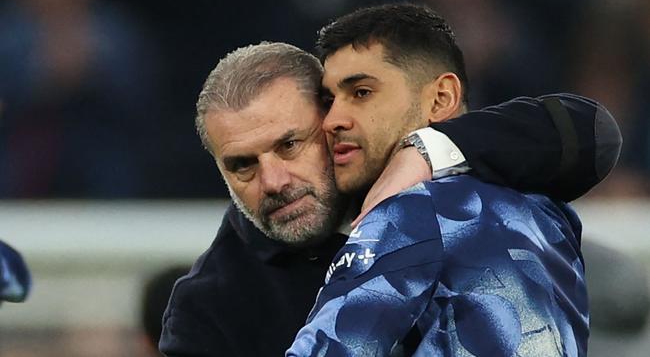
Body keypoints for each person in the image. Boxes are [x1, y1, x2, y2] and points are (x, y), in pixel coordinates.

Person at [160, 34, 620, 357]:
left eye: (289, 145)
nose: (274, 180)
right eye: (242, 165)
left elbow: (591, 131)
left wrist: (425, 152)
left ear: (333, 119)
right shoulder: (209, 308)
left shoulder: (430, 181)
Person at [287, 4, 597, 356]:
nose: (332, 121)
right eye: (329, 101)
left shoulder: (411, 210)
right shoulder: (547, 210)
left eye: (361, 93)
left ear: (441, 98)